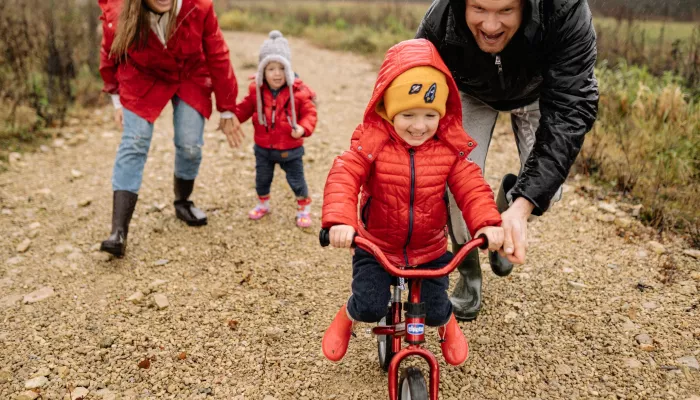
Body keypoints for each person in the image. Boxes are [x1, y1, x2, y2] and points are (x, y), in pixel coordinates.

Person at [320, 39, 504, 366]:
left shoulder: (448, 150)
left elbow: (472, 185)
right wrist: (340, 221)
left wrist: (487, 222)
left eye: (429, 115)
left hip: (429, 250)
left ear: (442, 112)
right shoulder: (372, 142)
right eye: (407, 114)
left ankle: (446, 324)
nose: (419, 126)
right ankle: (348, 316)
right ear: (388, 109)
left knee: (435, 309)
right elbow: (345, 174)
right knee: (369, 304)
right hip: (376, 245)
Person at [416, 0, 599, 320]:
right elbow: (413, 92)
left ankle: (506, 209)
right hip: (470, 92)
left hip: (537, 93)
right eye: (479, 8)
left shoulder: (566, 11)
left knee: (547, 191)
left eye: (505, 11)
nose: (490, 25)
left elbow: (571, 110)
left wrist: (522, 205)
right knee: (456, 185)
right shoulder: (440, 19)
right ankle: (468, 271)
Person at [98, 0, 243, 257]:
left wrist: (227, 106)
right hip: (141, 76)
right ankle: (118, 231)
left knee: (190, 146)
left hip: (189, 75)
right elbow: (110, 51)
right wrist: (116, 98)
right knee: (135, 141)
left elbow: (218, 53)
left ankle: (183, 202)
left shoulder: (199, 7)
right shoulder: (119, 11)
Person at [234, 31, 318, 228]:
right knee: (262, 178)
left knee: (296, 180)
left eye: (282, 68)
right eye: (271, 68)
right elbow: (245, 107)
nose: (277, 73)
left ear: (288, 69)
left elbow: (310, 113)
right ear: (263, 70)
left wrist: (303, 128)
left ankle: (303, 207)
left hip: (290, 147)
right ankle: (263, 203)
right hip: (263, 147)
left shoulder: (298, 92)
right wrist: (232, 118)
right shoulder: (256, 90)